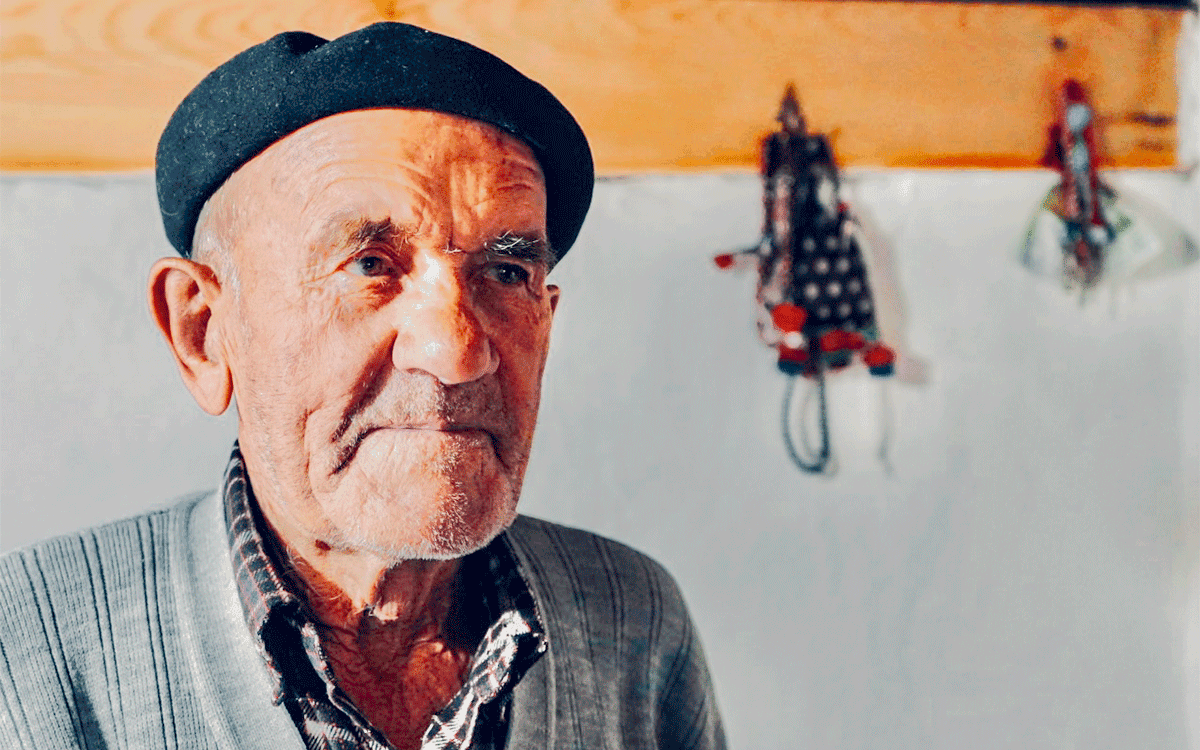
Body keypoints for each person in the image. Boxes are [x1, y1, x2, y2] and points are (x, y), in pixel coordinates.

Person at [0, 22, 725, 750]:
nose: (456, 352)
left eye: (508, 273)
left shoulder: (634, 623)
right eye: (370, 265)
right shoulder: (26, 649)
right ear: (203, 331)